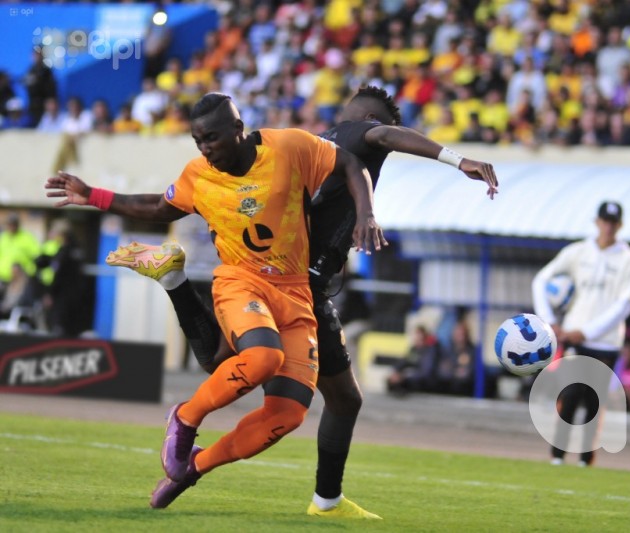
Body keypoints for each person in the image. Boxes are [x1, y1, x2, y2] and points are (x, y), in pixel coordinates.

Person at [100, 86, 498, 518]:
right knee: (277, 376)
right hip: (294, 285)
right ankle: (319, 499)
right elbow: (381, 137)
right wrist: (459, 161)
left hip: (295, 283)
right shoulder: (355, 135)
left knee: (260, 382)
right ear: (370, 118)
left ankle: (206, 466)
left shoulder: (311, 145)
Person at [44, 92, 386, 511]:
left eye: (212, 139)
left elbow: (352, 165)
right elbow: (159, 205)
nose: (205, 149)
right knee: (262, 359)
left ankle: (194, 468)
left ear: (238, 131)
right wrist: (94, 195)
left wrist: (366, 214)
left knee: (287, 416)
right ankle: (185, 418)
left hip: (296, 293)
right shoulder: (199, 175)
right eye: (198, 141)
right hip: (241, 283)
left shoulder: (289, 147)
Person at [532, 201, 630, 466]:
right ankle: (557, 455)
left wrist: (588, 331)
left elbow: (624, 304)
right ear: (597, 222)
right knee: (570, 394)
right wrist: (550, 321)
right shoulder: (578, 252)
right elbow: (541, 280)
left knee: (593, 400)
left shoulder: (629, 260)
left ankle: (586, 458)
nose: (608, 227)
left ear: (619, 226)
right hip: (573, 338)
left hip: (605, 342)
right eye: (604, 221)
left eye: (613, 223)